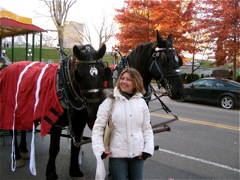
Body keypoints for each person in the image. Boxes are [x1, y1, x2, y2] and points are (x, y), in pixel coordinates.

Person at [92, 68, 154, 180]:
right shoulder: (110, 101)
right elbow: (98, 128)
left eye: (129, 79)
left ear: (136, 83)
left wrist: (148, 149)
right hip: (117, 156)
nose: (124, 82)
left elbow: (146, 129)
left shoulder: (141, 103)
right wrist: (100, 151)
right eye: (122, 78)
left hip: (138, 155)